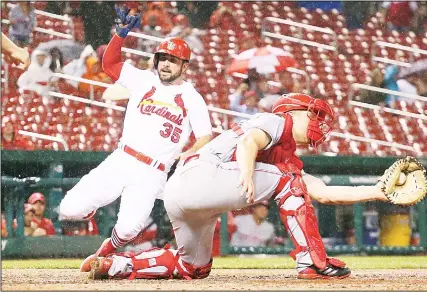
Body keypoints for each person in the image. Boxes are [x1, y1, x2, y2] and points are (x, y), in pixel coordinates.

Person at [87, 94, 393, 281]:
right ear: (293, 111)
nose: (317, 122)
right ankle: (312, 262)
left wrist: (378, 190)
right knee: (288, 180)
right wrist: (247, 173)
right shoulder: (277, 120)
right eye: (312, 114)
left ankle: (115, 265)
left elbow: (323, 192)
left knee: (193, 267)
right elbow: (250, 142)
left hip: (182, 192)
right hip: (205, 174)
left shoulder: (285, 160)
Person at [59, 7, 212, 274]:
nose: (165, 63)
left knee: (130, 228)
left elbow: (205, 136)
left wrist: (190, 153)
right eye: (162, 58)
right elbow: (109, 64)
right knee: (68, 210)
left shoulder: (191, 96)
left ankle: (105, 251)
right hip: (122, 159)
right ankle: (90, 208)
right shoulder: (143, 80)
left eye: (172, 60)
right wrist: (119, 36)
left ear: (184, 66)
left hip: (153, 173)